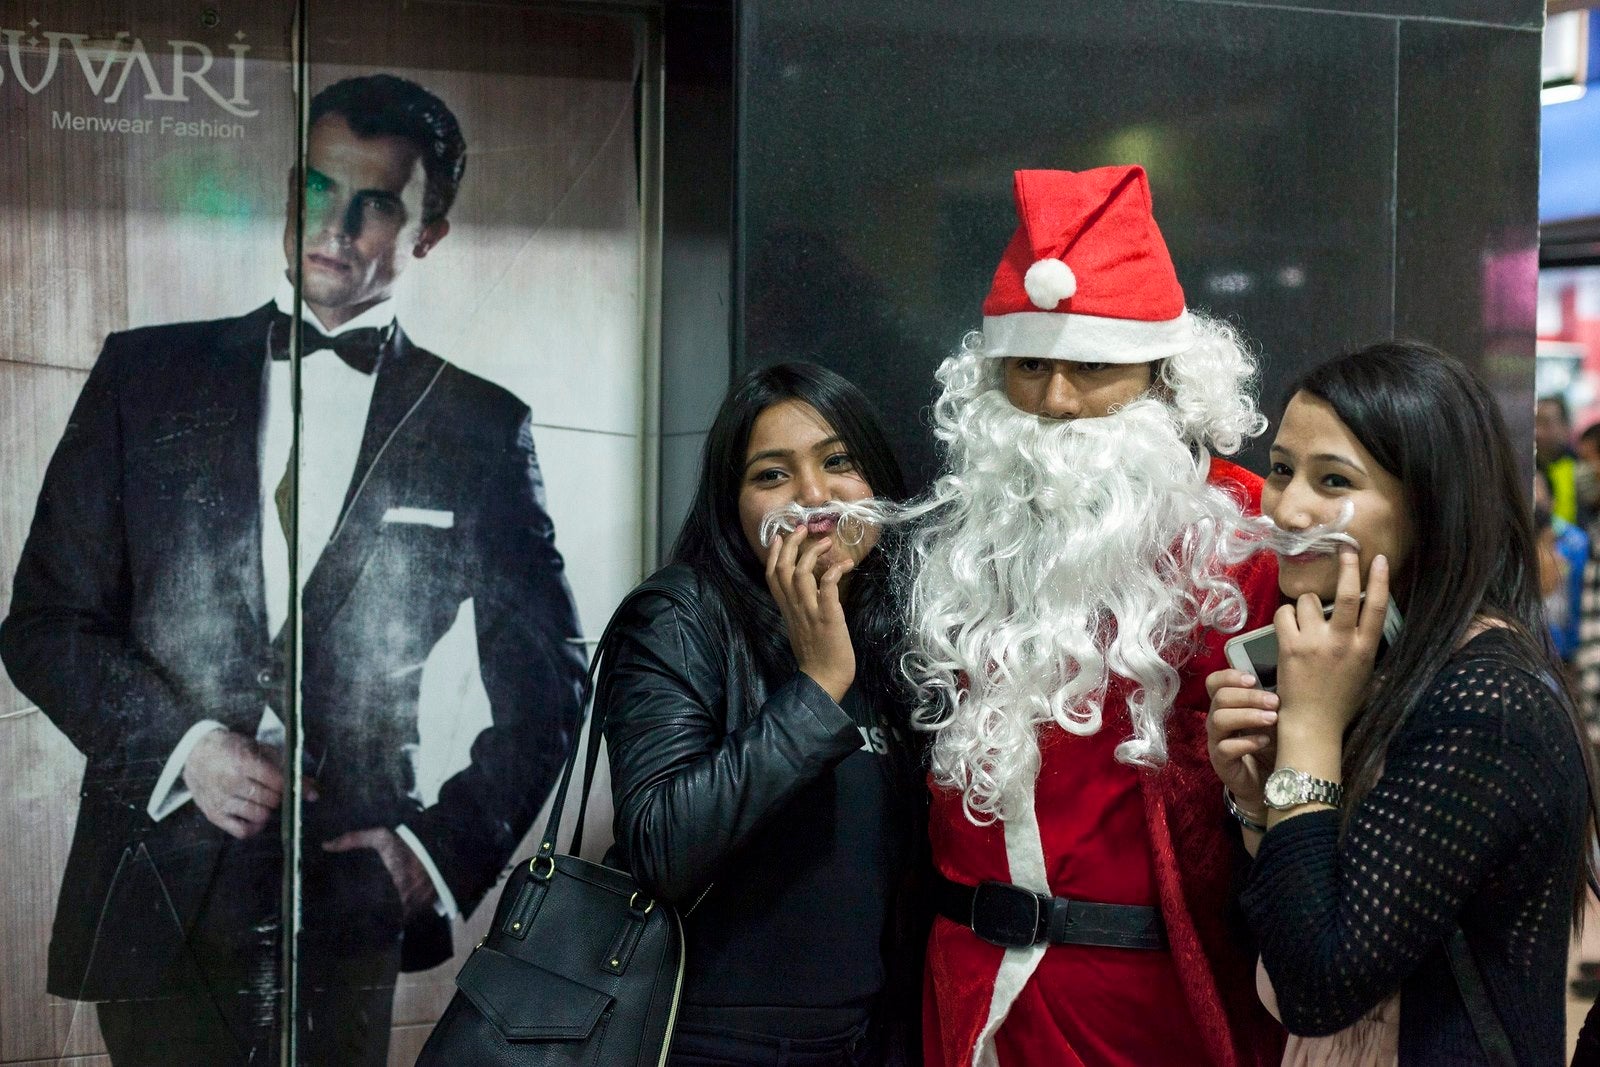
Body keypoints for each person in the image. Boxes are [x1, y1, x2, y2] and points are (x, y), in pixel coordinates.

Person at [0, 74, 588, 1065]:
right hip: (155, 889)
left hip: (347, 901)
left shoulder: (480, 426)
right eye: (316, 188)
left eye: (377, 204)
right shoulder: (143, 377)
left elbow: (551, 682)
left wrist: (436, 853)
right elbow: (45, 621)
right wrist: (186, 745)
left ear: (430, 232)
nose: (335, 225)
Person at [902, 166, 1285, 1067]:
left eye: (1093, 367)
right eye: (1030, 365)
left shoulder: (1247, 544)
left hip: (1151, 1013)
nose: (1057, 401)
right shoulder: (961, 541)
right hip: (968, 1004)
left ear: (1163, 378)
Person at [1207, 342, 1598, 1065]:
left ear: (1429, 502)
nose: (1289, 506)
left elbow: (1316, 986)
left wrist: (1310, 731)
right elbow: (1285, 942)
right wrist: (1261, 802)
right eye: (1283, 468)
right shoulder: (1382, 662)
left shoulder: (1487, 700)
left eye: (1333, 479)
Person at [602, 363, 926, 1066]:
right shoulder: (681, 614)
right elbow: (660, 846)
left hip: (865, 1039)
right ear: (733, 506)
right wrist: (817, 684)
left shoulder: (899, 634)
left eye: (838, 461)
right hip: (708, 1041)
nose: (814, 496)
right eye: (772, 475)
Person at [1538, 394, 1582, 527]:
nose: (1537, 432)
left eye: (1546, 423)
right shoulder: (1530, 472)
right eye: (1534, 423)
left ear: (1565, 427)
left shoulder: (1581, 466)